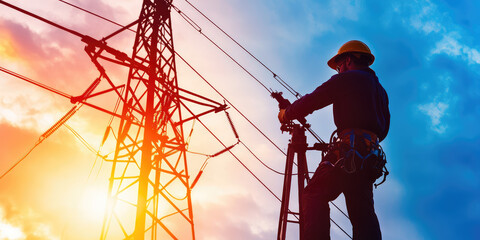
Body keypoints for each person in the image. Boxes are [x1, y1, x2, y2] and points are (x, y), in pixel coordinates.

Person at [278, 40, 390, 240]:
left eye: (339, 66)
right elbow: (384, 129)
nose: (338, 70)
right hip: (369, 159)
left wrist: (287, 114)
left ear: (347, 60)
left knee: (314, 194)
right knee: (362, 212)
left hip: (348, 152)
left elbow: (313, 100)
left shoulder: (348, 79)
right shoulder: (380, 91)